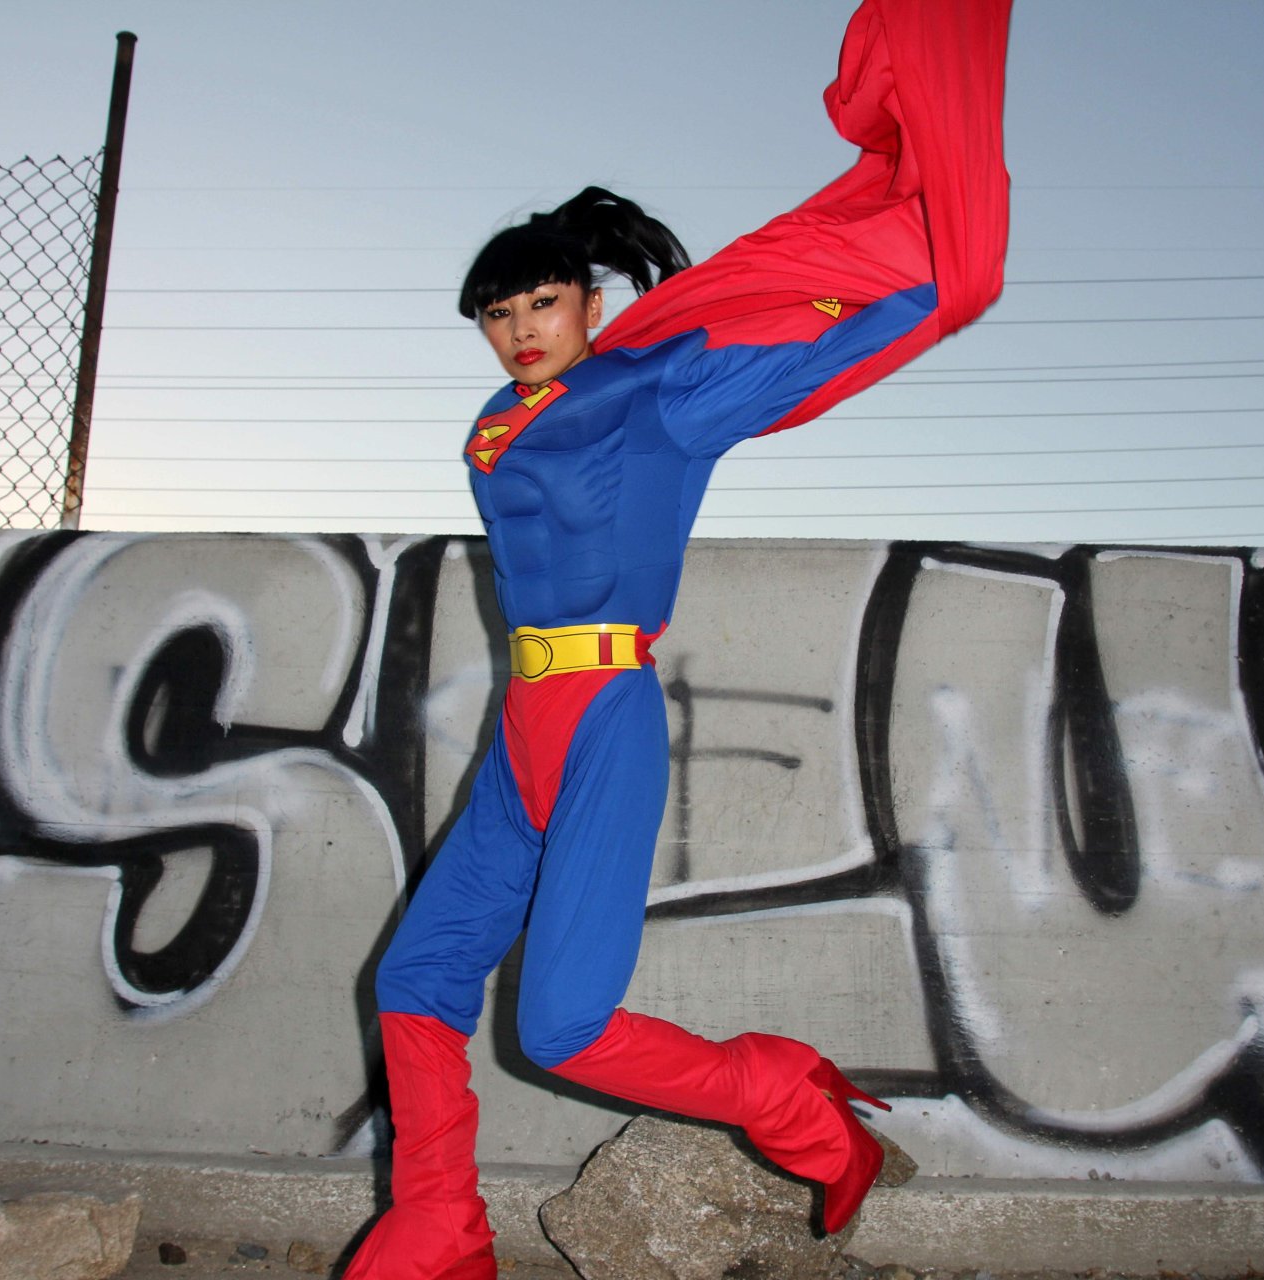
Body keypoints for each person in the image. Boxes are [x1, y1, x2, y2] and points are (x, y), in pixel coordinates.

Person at [346, 2, 1011, 1275]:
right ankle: (438, 1223)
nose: (521, 327)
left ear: (590, 301)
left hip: (605, 716)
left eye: (544, 301)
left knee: (562, 1024)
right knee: (417, 977)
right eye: (498, 312)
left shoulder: (660, 391)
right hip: (523, 730)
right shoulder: (490, 425)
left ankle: (792, 1102)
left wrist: (936, 284)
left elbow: (816, 355)